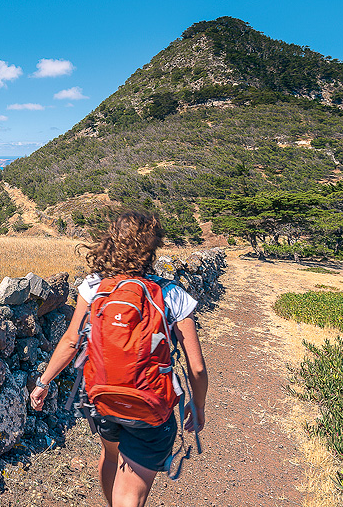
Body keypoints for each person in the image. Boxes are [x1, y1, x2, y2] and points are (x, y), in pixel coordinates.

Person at [29, 211, 209, 507]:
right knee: (131, 494)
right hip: (151, 405)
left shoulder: (95, 286)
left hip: (102, 399)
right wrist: (198, 405)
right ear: (152, 247)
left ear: (110, 242)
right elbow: (197, 367)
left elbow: (71, 340)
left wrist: (43, 382)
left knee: (110, 455)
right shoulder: (172, 294)